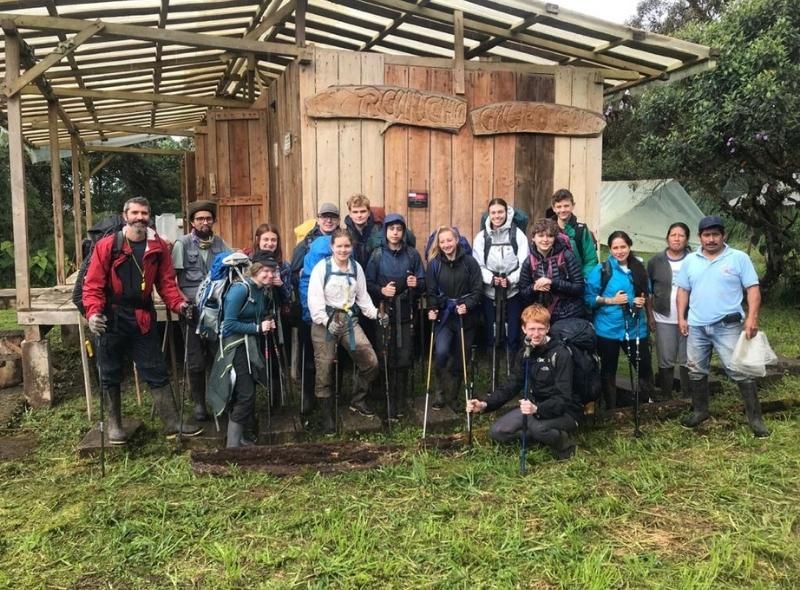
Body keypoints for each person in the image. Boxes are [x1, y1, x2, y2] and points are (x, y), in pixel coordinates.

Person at [82, 196, 202, 443]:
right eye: (135, 213)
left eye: (144, 213)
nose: (139, 217)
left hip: (141, 317)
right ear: (125, 215)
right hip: (111, 317)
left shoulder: (157, 247)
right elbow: (92, 285)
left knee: (155, 369)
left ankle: (172, 421)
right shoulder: (107, 245)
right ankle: (114, 425)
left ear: (149, 217)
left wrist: (179, 305)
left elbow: (167, 284)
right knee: (110, 371)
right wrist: (93, 314)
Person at [676, 215, 769, 437]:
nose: (711, 239)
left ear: (723, 235)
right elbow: (683, 291)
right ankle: (700, 411)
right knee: (696, 369)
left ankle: (755, 419)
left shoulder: (739, 258)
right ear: (700, 237)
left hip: (727, 326)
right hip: (697, 326)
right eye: (706, 235)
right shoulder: (690, 261)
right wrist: (681, 317)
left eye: (715, 235)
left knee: (739, 370)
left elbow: (753, 289)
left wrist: (752, 317)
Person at [466, 304, 581, 460]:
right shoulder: (525, 352)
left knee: (538, 428)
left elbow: (564, 398)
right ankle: (540, 437)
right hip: (533, 407)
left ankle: (564, 443)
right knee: (497, 432)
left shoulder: (560, 354)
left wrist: (537, 409)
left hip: (564, 411)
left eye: (540, 329)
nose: (536, 334)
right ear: (524, 329)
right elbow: (512, 384)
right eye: (532, 329)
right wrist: (485, 404)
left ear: (547, 328)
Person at [308, 228, 386, 433]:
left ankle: (358, 400)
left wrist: (376, 314)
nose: (343, 250)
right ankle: (326, 416)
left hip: (348, 321)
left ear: (351, 247)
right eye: (339, 246)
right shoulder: (321, 269)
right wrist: (326, 321)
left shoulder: (355, 268)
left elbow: (363, 297)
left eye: (347, 246)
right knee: (324, 368)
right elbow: (314, 301)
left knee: (370, 361)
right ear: (332, 247)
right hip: (324, 321)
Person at [207, 252, 279, 447]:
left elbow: (256, 313)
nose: (269, 275)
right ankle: (232, 447)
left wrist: (265, 320)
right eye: (265, 270)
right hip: (235, 347)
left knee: (245, 393)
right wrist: (257, 328)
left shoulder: (261, 290)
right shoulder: (240, 290)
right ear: (255, 269)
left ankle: (241, 439)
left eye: (272, 271)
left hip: (249, 346)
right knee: (246, 395)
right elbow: (228, 325)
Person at [171, 200, 229, 421]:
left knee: (217, 356)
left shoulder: (220, 244)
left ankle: (217, 400)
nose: (204, 222)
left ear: (213, 220)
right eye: (199, 219)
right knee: (195, 359)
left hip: (215, 310)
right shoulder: (182, 244)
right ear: (192, 222)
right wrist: (183, 303)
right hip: (191, 311)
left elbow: (235, 262)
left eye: (208, 218)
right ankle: (198, 403)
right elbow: (173, 280)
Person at [584, 231, 653, 411]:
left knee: (644, 366)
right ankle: (611, 408)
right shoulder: (602, 270)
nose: (619, 251)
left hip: (636, 327)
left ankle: (647, 404)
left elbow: (646, 294)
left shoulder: (639, 269)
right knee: (608, 370)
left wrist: (641, 302)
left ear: (629, 247)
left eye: (623, 247)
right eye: (615, 247)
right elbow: (589, 298)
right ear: (610, 249)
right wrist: (611, 301)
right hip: (607, 329)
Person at [365, 213, 426, 419]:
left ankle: (401, 400)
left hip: (406, 312)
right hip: (384, 311)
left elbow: (423, 281)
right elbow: (367, 284)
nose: (395, 233)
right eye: (391, 229)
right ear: (385, 232)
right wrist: (382, 291)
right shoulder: (377, 255)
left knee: (404, 356)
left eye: (399, 229)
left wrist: (416, 284)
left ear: (403, 232)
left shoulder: (412, 255)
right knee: (385, 355)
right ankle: (387, 401)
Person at [290, 202, 341, 417]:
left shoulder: (342, 241)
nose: (328, 220)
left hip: (338, 310)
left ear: (338, 220)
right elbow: (293, 274)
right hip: (309, 310)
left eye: (332, 217)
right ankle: (308, 396)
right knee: (310, 355)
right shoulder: (305, 244)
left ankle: (335, 395)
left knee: (336, 355)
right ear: (317, 218)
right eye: (324, 216)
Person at [426, 226, 483, 411]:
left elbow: (478, 290)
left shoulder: (470, 263)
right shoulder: (435, 264)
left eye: (449, 240)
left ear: (457, 240)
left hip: (465, 318)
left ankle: (454, 396)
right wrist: (433, 308)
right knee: (441, 352)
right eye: (442, 242)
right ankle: (439, 392)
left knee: (461, 357)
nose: (446, 245)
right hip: (444, 317)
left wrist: (468, 305)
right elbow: (431, 292)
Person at [472, 198, 529, 362]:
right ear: (489, 215)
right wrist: (492, 279)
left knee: (513, 326)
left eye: (500, 212)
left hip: (512, 290)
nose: (497, 216)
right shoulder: (482, 237)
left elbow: (524, 262)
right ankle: (492, 359)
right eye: (493, 213)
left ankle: (512, 358)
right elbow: (478, 264)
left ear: (506, 213)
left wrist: (510, 279)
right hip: (490, 290)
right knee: (490, 325)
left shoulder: (517, 234)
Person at [646, 222, 691, 400]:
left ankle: (688, 395)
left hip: (689, 317)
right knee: (665, 357)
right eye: (673, 235)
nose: (677, 238)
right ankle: (666, 395)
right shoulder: (656, 261)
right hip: (663, 316)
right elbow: (648, 291)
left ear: (687, 239)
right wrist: (650, 316)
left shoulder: (694, 260)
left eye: (681, 235)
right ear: (667, 238)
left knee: (688, 358)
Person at [519, 218, 585, 324]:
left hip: (569, 313)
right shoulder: (528, 261)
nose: (545, 240)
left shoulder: (567, 256)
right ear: (533, 238)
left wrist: (552, 282)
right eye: (541, 236)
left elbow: (579, 287)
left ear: (555, 238)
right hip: (541, 316)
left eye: (550, 236)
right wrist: (534, 288)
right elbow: (523, 293)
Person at [548, 188, 598, 277]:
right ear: (553, 208)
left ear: (573, 206)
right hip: (552, 283)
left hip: (576, 283)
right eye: (559, 206)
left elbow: (591, 260)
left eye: (566, 206)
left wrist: (583, 280)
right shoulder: (547, 230)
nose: (563, 210)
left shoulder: (581, 230)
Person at [343, 193, 382, 269]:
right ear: (350, 214)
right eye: (355, 212)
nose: (359, 215)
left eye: (363, 211)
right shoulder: (345, 233)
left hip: (375, 275)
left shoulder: (379, 230)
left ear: (369, 213)